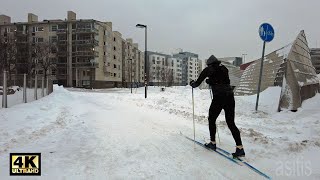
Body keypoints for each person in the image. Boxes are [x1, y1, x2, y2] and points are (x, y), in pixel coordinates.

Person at [189, 55, 245, 157]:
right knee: (231, 122)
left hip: (219, 97)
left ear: (209, 64)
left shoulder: (208, 70)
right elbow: (222, 80)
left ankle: (213, 143)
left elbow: (197, 84)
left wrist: (192, 83)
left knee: (211, 119)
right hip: (230, 96)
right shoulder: (224, 69)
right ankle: (240, 148)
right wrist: (211, 81)